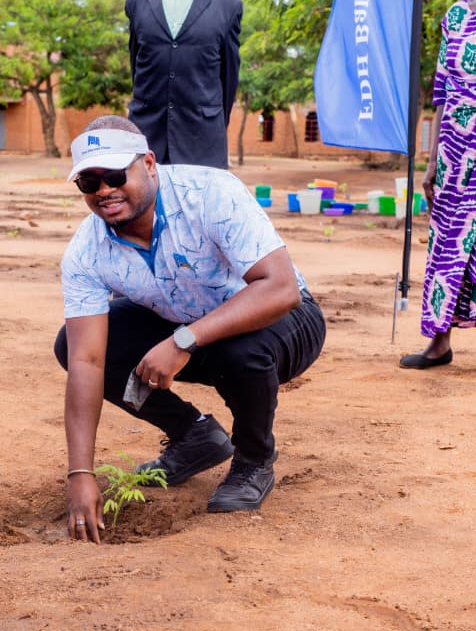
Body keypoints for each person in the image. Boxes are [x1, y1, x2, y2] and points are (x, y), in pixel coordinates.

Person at [55, 115, 326, 542]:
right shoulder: (87, 251)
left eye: (113, 174)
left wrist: (184, 339)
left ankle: (254, 461)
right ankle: (194, 436)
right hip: (187, 324)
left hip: (282, 321)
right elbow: (87, 360)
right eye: (89, 183)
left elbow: (280, 288)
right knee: (72, 343)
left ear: (147, 163)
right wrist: (80, 472)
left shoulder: (210, 193)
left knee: (241, 351)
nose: (103, 190)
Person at [400, 0, 476, 370]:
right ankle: (438, 344)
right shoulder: (456, 15)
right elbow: (441, 93)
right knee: (447, 240)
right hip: (457, 149)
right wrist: (433, 159)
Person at [125, 0, 242, 169]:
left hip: (203, 137)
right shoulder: (137, 2)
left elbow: (229, 77)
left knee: (200, 207)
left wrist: (213, 119)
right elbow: (136, 65)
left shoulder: (227, 6)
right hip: (147, 132)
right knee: (146, 206)